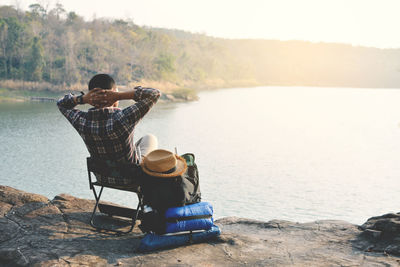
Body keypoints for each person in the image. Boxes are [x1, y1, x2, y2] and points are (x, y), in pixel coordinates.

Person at [57, 73, 161, 184]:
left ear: (91, 96)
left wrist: (82, 99)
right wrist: (120, 95)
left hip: (102, 177)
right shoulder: (123, 118)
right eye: (116, 92)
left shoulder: (82, 121)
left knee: (140, 142)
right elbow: (154, 94)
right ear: (113, 93)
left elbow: (61, 103)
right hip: (131, 178)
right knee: (150, 138)